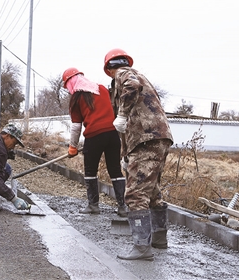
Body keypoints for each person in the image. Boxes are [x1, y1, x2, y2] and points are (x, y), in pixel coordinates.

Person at [103, 48, 174, 261]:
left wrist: (122, 114)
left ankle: (142, 247)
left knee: (134, 194)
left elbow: (131, 86)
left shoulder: (124, 74)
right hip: (157, 137)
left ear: (108, 69)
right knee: (151, 190)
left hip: (146, 139)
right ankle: (159, 239)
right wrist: (126, 156)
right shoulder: (142, 78)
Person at [62, 67, 128, 217]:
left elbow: (76, 126)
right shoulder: (102, 89)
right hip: (112, 134)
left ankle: (93, 206)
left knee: (90, 171)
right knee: (116, 171)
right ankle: (123, 207)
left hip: (94, 136)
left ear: (70, 83)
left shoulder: (76, 98)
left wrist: (72, 146)